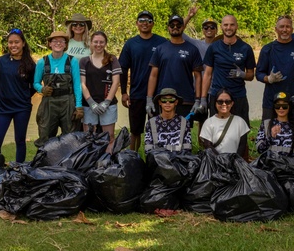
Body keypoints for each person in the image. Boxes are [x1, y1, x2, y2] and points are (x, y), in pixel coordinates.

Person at [201, 14, 256, 155]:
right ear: (222, 27)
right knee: (215, 133)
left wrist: (242, 74)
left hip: (238, 96)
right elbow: (207, 74)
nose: (229, 27)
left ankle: (243, 165)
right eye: (225, 25)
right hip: (218, 97)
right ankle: (214, 163)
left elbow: (251, 74)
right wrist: (202, 98)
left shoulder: (246, 48)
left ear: (236, 26)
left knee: (242, 134)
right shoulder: (214, 47)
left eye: (232, 24)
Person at [119, 11, 167, 152]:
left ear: (153, 23)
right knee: (135, 131)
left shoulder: (162, 42)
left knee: (157, 129)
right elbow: (123, 68)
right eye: (141, 20)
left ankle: (157, 159)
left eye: (148, 20)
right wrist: (123, 92)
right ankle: (133, 157)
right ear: (137, 23)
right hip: (137, 93)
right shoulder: (131, 44)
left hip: (158, 95)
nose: (145, 23)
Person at [0, 29, 36, 162]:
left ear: (23, 44)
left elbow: (34, 86)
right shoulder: (0, 62)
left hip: (22, 108)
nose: (13, 45)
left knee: (20, 140)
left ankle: (19, 169)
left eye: (16, 42)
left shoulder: (30, 64)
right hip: (3, 108)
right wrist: (5, 94)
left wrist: (24, 96)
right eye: (10, 42)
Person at [256, 15, 294, 120]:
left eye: (288, 27)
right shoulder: (267, 49)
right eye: (281, 27)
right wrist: (269, 79)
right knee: (269, 133)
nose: (285, 30)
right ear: (276, 29)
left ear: (292, 29)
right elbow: (259, 74)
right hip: (271, 102)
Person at [33, 30, 84, 147]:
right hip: (49, 102)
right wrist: (42, 89)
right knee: (45, 137)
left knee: (71, 137)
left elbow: (77, 85)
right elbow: (35, 83)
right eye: (54, 41)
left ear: (65, 44)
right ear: (50, 44)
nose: (58, 43)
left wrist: (79, 106)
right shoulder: (42, 62)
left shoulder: (72, 61)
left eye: (61, 41)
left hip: (68, 102)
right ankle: (46, 162)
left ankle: (69, 163)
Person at [147, 14, 203, 117]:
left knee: (183, 132)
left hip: (185, 100)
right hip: (163, 99)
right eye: (172, 25)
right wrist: (149, 99)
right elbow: (153, 75)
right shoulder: (160, 49)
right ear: (168, 28)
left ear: (183, 27)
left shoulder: (192, 49)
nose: (175, 27)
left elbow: (198, 77)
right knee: (162, 131)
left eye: (178, 25)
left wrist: (198, 99)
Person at [80, 31, 122, 152]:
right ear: (91, 43)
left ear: (105, 43)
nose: (98, 45)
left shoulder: (112, 59)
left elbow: (116, 82)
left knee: (109, 137)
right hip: (89, 105)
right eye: (96, 42)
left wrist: (107, 102)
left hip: (108, 105)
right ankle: (90, 164)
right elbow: (82, 83)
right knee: (89, 137)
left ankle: (108, 162)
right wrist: (91, 102)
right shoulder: (84, 61)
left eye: (101, 42)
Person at [199, 89, 252, 155]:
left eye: (227, 102)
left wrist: (234, 160)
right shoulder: (208, 123)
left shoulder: (240, 122)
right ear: (215, 103)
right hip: (215, 162)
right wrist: (221, 160)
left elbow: (242, 146)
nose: (224, 104)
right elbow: (208, 146)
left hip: (234, 162)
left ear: (232, 103)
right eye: (220, 102)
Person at [144, 87, 192, 154]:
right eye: (164, 100)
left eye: (171, 100)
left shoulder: (184, 122)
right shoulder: (151, 123)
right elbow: (148, 150)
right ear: (160, 102)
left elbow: (187, 149)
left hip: (179, 161)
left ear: (176, 102)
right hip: (157, 161)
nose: (167, 102)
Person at [255, 92, 294, 157]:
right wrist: (271, 137)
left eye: (284, 106)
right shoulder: (266, 124)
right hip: (269, 165)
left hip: (289, 165)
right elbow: (259, 149)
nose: (281, 108)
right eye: (277, 106)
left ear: (289, 107)